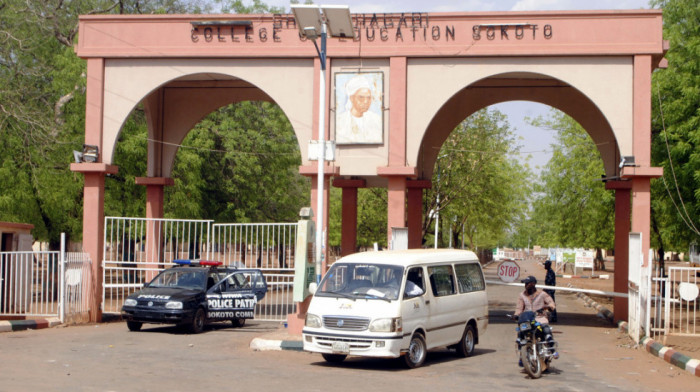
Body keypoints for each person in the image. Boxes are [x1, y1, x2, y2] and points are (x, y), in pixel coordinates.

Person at [514, 275, 558, 364]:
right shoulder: (522, 295)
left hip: (540, 318)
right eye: (525, 284)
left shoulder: (542, 294)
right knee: (520, 334)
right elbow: (519, 308)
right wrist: (516, 315)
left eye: (527, 283)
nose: (525, 285)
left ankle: (552, 350)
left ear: (533, 284)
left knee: (546, 330)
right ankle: (522, 356)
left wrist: (549, 307)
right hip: (527, 319)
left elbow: (551, 303)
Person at [336, 75, 383, 144]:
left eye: (368, 98)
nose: (366, 102)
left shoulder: (377, 120)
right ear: (351, 98)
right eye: (361, 97)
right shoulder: (340, 121)